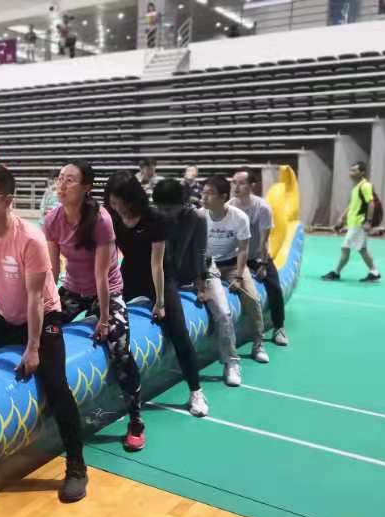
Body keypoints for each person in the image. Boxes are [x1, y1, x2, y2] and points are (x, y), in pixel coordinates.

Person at [0, 164, 88, 503]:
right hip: (4, 315)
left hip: (44, 315)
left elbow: (35, 298)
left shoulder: (30, 239)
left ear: (7, 201)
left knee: (56, 384)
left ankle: (76, 465)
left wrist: (32, 348)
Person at [44, 161, 146, 451]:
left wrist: (103, 319)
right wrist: (46, 307)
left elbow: (102, 275)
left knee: (120, 350)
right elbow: (52, 270)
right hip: (73, 290)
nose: (62, 185)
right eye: (60, 178)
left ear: (87, 187)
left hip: (108, 292)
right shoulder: (52, 219)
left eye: (70, 180)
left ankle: (136, 419)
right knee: (41, 330)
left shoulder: (100, 219)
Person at [105, 171, 209, 417]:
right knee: (102, 316)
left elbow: (157, 264)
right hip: (129, 273)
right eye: (112, 201)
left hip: (160, 276)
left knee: (179, 332)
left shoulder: (154, 218)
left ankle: (196, 391)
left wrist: (160, 302)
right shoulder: (112, 217)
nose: (115, 206)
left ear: (131, 198)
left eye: (119, 201)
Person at [153, 179, 241, 386]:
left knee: (223, 312)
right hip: (171, 274)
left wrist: (201, 284)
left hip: (202, 270)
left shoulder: (197, 217)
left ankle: (231, 361)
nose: (164, 212)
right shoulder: (156, 217)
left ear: (182, 203)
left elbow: (200, 252)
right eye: (160, 207)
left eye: (168, 208)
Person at [202, 176, 269, 363]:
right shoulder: (200, 216)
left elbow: (243, 249)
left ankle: (258, 343)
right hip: (209, 266)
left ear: (223, 197)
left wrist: (239, 277)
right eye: (203, 193)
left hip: (232, 265)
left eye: (210, 193)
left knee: (253, 299)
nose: (204, 197)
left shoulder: (239, 217)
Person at [230, 168, 288, 346]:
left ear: (252, 185)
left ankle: (279, 327)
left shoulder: (262, 207)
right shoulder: (230, 205)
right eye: (234, 183)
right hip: (236, 256)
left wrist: (263, 264)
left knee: (274, 287)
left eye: (241, 183)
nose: (236, 187)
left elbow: (264, 240)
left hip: (256, 256)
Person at [321, 161, 381, 283]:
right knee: (361, 250)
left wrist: (368, 221)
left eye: (354, 170)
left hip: (359, 224)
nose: (351, 173)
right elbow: (352, 206)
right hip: (353, 224)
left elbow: (371, 203)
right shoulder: (356, 188)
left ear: (362, 172)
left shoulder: (365, 186)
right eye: (350, 170)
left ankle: (336, 272)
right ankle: (374, 272)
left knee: (346, 248)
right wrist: (342, 219)